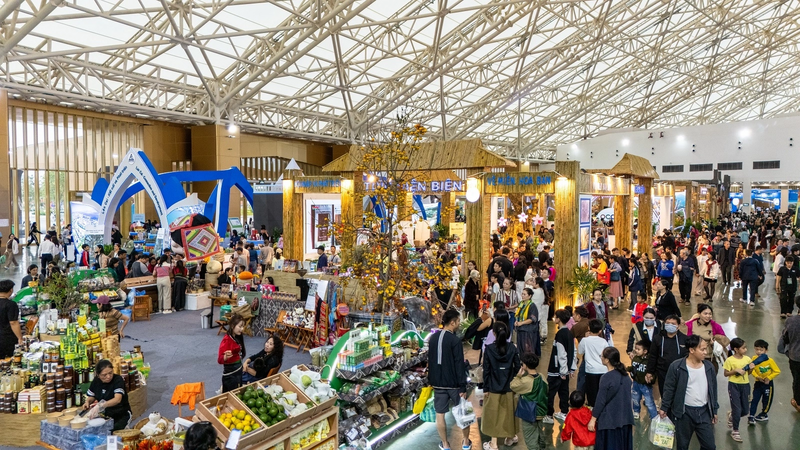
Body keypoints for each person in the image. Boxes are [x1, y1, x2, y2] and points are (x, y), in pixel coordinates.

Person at [659, 335, 719, 450]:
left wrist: (714, 410)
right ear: (691, 350)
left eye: (706, 349)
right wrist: (664, 407)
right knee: (682, 445)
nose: (705, 352)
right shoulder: (677, 367)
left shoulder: (709, 367)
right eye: (702, 349)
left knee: (709, 446)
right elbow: (669, 388)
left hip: (704, 411)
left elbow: (713, 390)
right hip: (684, 413)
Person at [428, 309, 470, 450]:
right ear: (452, 323)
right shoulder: (455, 340)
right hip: (454, 384)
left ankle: (445, 444)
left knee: (440, 414)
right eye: (458, 321)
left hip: (437, 383)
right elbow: (459, 364)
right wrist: (463, 386)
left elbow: (430, 361)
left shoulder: (433, 338)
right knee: (463, 413)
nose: (459, 324)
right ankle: (465, 442)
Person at [481, 322, 521, 449]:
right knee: (509, 412)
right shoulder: (513, 348)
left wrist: (485, 388)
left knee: (494, 414)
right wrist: (514, 380)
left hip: (493, 387)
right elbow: (518, 367)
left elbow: (486, 370)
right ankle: (510, 438)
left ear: (493, 333)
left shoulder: (489, 349)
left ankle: (493, 443)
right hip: (509, 387)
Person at [588, 347, 634, 450]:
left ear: (607, 360)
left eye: (602, 356)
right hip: (625, 420)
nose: (601, 358)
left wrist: (593, 419)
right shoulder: (626, 376)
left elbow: (600, 400)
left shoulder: (606, 378)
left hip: (610, 422)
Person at [544, 309, 577, 424]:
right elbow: (573, 351)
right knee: (564, 391)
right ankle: (564, 412)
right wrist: (571, 368)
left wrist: (562, 371)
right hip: (566, 370)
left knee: (550, 393)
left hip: (557, 371)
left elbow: (561, 354)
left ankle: (549, 415)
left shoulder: (560, 335)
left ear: (558, 319)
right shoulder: (569, 333)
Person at [510, 353, 548, 450]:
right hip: (541, 411)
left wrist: (518, 376)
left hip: (530, 413)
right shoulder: (542, 377)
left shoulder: (526, 381)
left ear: (525, 365)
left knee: (530, 439)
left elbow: (513, 386)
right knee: (540, 435)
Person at [83, 359, 132, 431]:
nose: (108, 376)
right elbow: (92, 395)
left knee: (115, 434)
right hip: (107, 415)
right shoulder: (96, 381)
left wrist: (101, 405)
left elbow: (117, 399)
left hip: (121, 414)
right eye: (104, 375)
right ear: (98, 375)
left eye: (110, 373)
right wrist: (87, 402)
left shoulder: (118, 380)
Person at [646, 315, 688, 396]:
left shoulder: (684, 339)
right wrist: (650, 371)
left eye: (673, 323)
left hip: (680, 372)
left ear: (678, 326)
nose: (670, 325)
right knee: (665, 394)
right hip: (663, 372)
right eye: (668, 323)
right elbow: (653, 356)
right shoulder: (658, 338)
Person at [722, 338, 754, 443]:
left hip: (745, 385)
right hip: (734, 386)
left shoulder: (747, 359)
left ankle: (732, 416)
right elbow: (726, 373)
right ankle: (735, 430)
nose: (745, 349)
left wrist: (751, 369)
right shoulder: (730, 360)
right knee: (737, 409)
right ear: (736, 349)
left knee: (745, 410)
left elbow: (748, 373)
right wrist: (735, 370)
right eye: (743, 348)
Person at [686, 304, 728, 373]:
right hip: (694, 357)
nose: (708, 316)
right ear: (699, 314)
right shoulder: (690, 325)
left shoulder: (716, 326)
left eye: (710, 314)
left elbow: (724, 342)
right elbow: (686, 340)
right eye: (705, 313)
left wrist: (714, 343)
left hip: (709, 358)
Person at [578, 319, 610, 407]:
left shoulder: (585, 340)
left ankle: (593, 411)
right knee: (602, 392)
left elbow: (580, 351)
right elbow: (608, 353)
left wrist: (585, 337)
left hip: (590, 370)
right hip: (603, 370)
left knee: (591, 393)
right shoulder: (603, 341)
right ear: (600, 331)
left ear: (588, 328)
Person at [748, 339, 780, 424]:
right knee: (755, 399)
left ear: (766, 350)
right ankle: (751, 415)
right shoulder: (754, 359)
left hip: (768, 384)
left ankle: (764, 414)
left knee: (766, 400)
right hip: (758, 383)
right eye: (757, 349)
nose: (758, 352)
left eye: (761, 350)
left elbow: (777, 371)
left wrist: (769, 377)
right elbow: (752, 369)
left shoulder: (770, 361)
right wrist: (757, 377)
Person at [628, 340, 657, 420]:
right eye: (635, 349)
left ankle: (654, 416)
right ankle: (636, 411)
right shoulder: (635, 359)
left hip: (646, 385)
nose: (636, 351)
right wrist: (628, 369)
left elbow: (653, 372)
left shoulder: (649, 362)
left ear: (645, 351)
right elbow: (634, 368)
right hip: (636, 383)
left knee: (649, 401)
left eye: (638, 349)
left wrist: (652, 379)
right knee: (635, 398)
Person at [218, 314, 246, 392]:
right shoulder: (226, 340)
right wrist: (225, 357)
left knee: (237, 392)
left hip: (238, 371)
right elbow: (220, 359)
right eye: (240, 326)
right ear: (233, 326)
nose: (242, 329)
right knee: (231, 395)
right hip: (231, 375)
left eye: (243, 326)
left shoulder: (237, 336)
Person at [515, 287, 540, 357]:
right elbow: (518, 315)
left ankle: (528, 363)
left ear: (530, 296)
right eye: (522, 294)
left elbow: (532, 319)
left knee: (528, 348)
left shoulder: (532, 306)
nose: (522, 295)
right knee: (520, 348)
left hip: (528, 330)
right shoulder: (521, 304)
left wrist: (521, 323)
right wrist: (517, 321)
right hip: (521, 329)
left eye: (524, 294)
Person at [0, 280, 22, 359]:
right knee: (8, 360)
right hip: (7, 338)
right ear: (11, 290)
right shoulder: (10, 304)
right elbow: (13, 323)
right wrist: (20, 338)